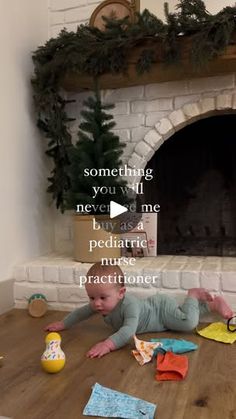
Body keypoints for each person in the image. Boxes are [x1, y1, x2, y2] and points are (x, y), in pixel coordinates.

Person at [45, 262, 234, 358]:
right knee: (183, 318)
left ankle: (193, 295)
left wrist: (107, 344)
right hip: (162, 317)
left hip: (161, 310)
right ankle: (212, 305)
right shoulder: (100, 305)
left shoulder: (130, 304)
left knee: (188, 323)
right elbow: (80, 313)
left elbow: (128, 331)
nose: (96, 303)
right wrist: (63, 323)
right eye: (92, 297)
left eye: (102, 297)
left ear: (121, 293)